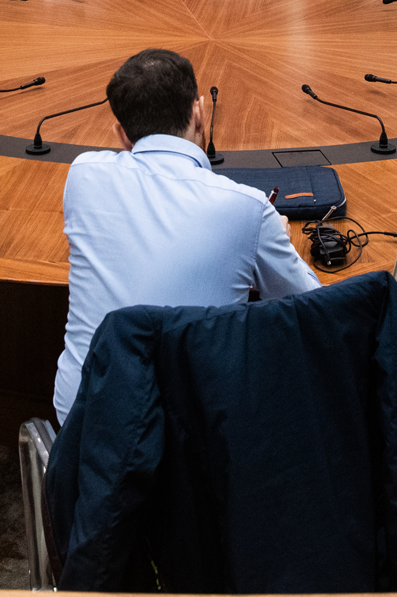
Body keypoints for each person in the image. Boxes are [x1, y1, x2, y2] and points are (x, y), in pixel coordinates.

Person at [55, 48, 320, 424]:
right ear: (199, 112)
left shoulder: (82, 175)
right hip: (198, 451)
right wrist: (277, 238)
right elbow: (312, 312)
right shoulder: (247, 208)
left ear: (120, 134)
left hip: (83, 441)